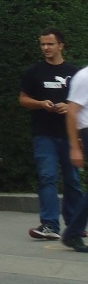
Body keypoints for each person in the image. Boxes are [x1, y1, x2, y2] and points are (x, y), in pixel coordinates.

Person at [19, 28, 84, 240]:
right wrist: (40, 104)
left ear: (61, 46)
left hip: (69, 134)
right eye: (43, 44)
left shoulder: (74, 73)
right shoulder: (34, 72)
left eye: (50, 44)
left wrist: (69, 106)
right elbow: (23, 99)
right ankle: (49, 225)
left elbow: (83, 103)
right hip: (43, 134)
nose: (46, 48)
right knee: (47, 177)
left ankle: (75, 225)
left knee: (73, 180)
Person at [62, 65, 88, 251]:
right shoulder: (85, 76)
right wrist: (75, 147)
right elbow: (72, 111)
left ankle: (73, 232)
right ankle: (72, 232)